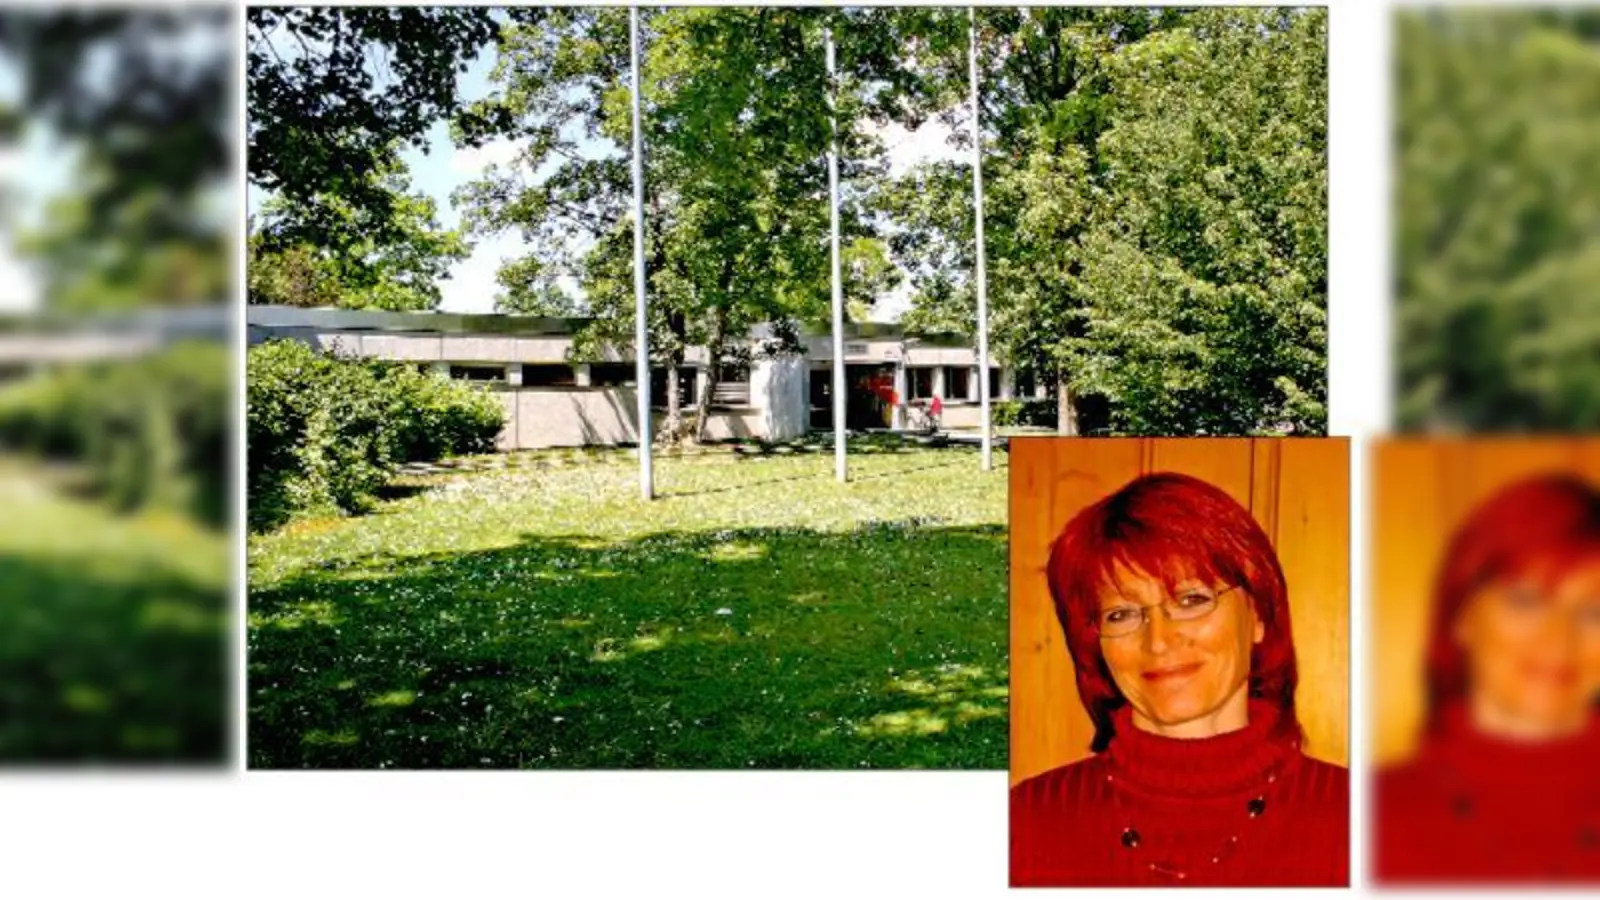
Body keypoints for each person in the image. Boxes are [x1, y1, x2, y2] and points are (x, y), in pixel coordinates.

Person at [1011, 472, 1348, 887]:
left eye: (1191, 600)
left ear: (1258, 613)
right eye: (1122, 614)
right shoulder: (1026, 819)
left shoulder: (1358, 820)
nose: (1159, 641)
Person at [1374, 474, 1600, 884]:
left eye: (1594, 613)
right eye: (1526, 600)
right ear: (1462, 614)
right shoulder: (1368, 815)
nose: (1559, 639)